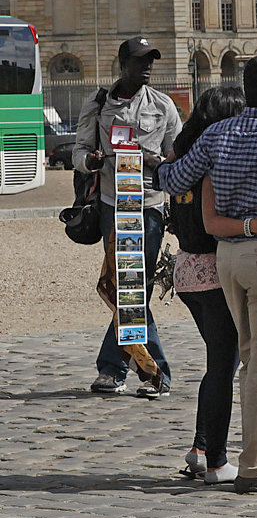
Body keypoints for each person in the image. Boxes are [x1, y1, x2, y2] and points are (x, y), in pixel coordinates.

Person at [157, 53, 257, 493]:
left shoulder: (218, 133)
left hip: (227, 257)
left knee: (249, 362)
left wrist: (162, 163)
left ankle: (246, 457)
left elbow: (174, 179)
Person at [169, 86, 257, 485]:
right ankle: (216, 459)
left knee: (220, 363)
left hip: (186, 269)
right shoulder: (213, 160)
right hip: (214, 270)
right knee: (222, 366)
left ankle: (200, 447)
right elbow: (217, 223)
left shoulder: (182, 156)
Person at [73, 36, 181, 398]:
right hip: (111, 205)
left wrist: (155, 162)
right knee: (123, 288)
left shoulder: (164, 107)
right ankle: (141, 371)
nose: (147, 66)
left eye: (151, 60)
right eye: (139, 61)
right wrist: (90, 161)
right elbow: (80, 151)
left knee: (132, 289)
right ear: (122, 65)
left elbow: (177, 159)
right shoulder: (98, 103)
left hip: (148, 206)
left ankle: (131, 370)